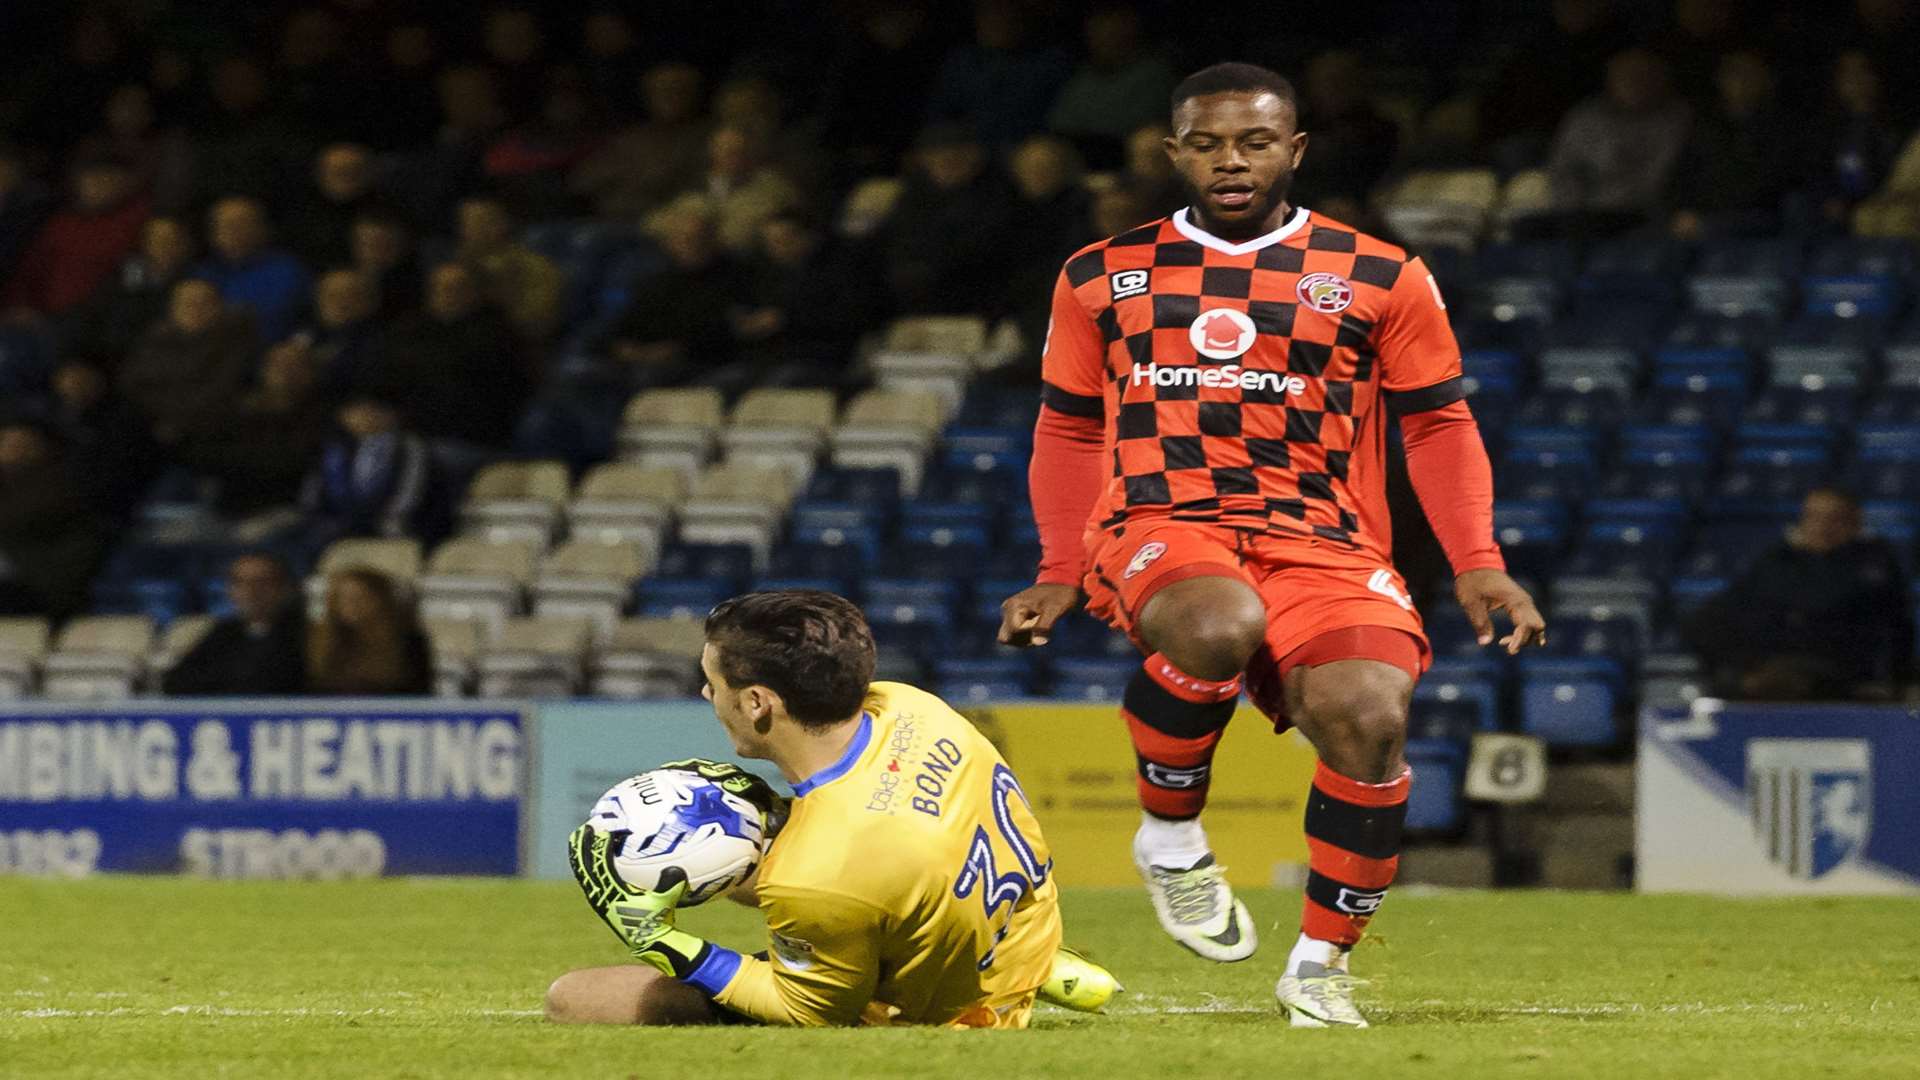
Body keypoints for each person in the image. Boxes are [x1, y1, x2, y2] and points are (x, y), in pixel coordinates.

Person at [997, 63, 1544, 1028]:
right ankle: (1170, 840)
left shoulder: (1379, 272)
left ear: (1293, 150)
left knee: (1371, 716)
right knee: (1218, 624)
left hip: (1323, 538)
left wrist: (1477, 559)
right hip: (1163, 521)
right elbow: (1070, 431)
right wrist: (1055, 569)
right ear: (1174, 154)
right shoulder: (1099, 274)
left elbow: (1439, 426)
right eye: (1207, 144)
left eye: (1253, 142)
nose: (1231, 161)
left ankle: (1321, 965)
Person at [545, 590, 1117, 1027]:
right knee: (808, 874)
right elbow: (848, 838)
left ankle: (1006, 979)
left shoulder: (820, 877)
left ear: (757, 702)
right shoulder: (911, 706)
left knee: (573, 997)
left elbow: (809, 1012)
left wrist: (661, 940)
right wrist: (761, 816)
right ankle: (1042, 964)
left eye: (711, 682)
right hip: (1019, 926)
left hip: (966, 1010)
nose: (705, 695)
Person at [1684, 488, 1912, 701]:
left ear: (1854, 523)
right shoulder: (1778, 559)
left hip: (1834, 665)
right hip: (1763, 660)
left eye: (1833, 519)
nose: (1822, 527)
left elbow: (1827, 605)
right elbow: (1732, 605)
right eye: (1813, 517)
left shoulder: (1872, 563)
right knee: (1709, 626)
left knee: (1790, 678)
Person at [358, 261, 527, 448]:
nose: (446, 294)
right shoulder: (409, 330)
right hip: (399, 432)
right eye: (439, 287)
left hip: (461, 438)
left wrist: (403, 418)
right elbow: (381, 377)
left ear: (476, 292)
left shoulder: (495, 337)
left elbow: (476, 399)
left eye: (456, 288)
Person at [1545, 49, 1692, 238]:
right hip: (1586, 215)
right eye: (1624, 76)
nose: (1633, 83)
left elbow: (1662, 178)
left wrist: (1617, 204)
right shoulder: (1586, 118)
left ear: (1659, 80)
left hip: (1645, 214)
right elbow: (1564, 172)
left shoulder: (1676, 119)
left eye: (1642, 76)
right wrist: (1575, 212)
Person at [117, 279, 259, 452]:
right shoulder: (156, 339)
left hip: (208, 435)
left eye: (204, 303)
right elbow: (132, 383)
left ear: (219, 307)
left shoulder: (235, 343)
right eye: (187, 304)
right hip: (146, 425)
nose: (195, 310)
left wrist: (176, 419)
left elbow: (219, 392)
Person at [0, 155, 150, 317]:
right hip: (41, 318)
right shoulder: (61, 224)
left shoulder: (136, 224)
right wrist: (19, 306)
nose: (97, 187)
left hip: (99, 321)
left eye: (106, 181)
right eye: (91, 180)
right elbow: (30, 270)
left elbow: (135, 275)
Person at [0, 419, 106, 619]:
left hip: (41, 577)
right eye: (5, 443)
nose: (9, 452)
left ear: (38, 448)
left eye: (19, 445)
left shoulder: (58, 483)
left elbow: (24, 518)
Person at [161, 552, 308, 695]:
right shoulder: (225, 632)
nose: (251, 591)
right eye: (240, 582)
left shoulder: (303, 635)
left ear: (284, 588)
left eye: (261, 582)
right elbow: (177, 682)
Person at [60, 214, 195, 368]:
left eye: (171, 241)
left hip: (157, 355)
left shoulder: (192, 279)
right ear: (145, 244)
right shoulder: (129, 273)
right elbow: (97, 310)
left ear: (185, 245)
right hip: (111, 352)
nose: (164, 247)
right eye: (158, 240)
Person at [194, 195, 312, 342]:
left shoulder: (286, 271)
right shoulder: (202, 273)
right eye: (227, 225)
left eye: (243, 224)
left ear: (262, 229)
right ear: (213, 233)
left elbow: (278, 318)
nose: (234, 232)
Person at [305, 567, 432, 695]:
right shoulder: (317, 641)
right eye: (342, 598)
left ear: (380, 600)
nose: (351, 604)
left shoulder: (407, 642)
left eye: (360, 597)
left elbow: (419, 694)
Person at [454, 195, 564, 341]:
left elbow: (540, 322)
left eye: (479, 222)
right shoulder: (456, 266)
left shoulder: (534, 267)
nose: (469, 230)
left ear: (501, 225)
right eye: (466, 223)